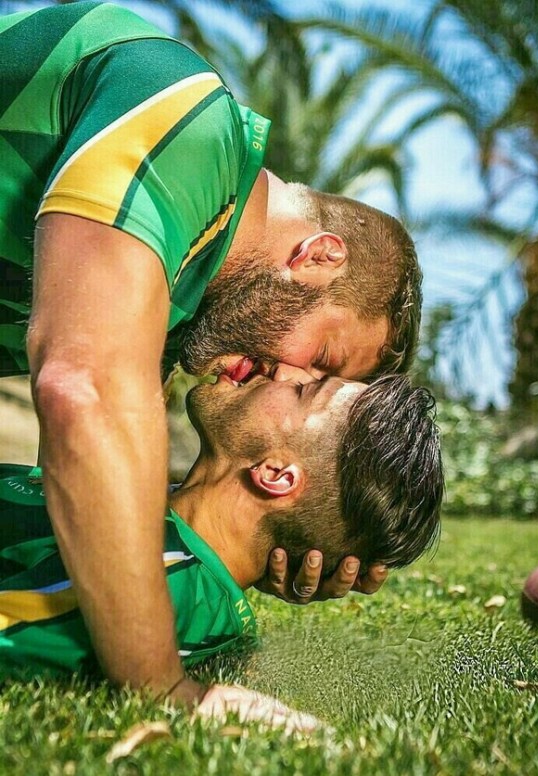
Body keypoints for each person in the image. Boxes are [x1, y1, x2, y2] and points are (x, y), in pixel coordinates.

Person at [0, 2, 421, 699]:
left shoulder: (177, 304)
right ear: (317, 257)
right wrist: (160, 683)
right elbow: (83, 390)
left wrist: (253, 538)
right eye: (320, 360)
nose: (286, 375)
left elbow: (64, 492)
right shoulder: (185, 119)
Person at [0, 366, 443, 730]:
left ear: (275, 475)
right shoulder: (157, 520)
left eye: (303, 390)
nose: (283, 368)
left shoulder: (162, 581)